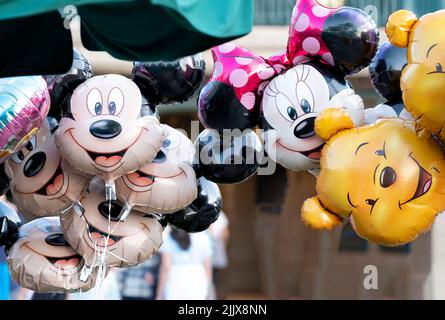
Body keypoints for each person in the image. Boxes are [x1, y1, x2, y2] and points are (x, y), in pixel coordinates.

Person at [156, 227, 212, 300]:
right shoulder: (203, 236)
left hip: (175, 279)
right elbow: (207, 266)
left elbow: (166, 268)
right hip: (198, 278)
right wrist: (209, 287)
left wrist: (159, 294)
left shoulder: (169, 237)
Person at [209, 211, 230, 299]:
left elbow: (225, 234)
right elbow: (226, 235)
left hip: (214, 253)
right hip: (213, 253)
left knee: (215, 279)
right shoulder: (219, 214)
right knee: (215, 279)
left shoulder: (219, 215)